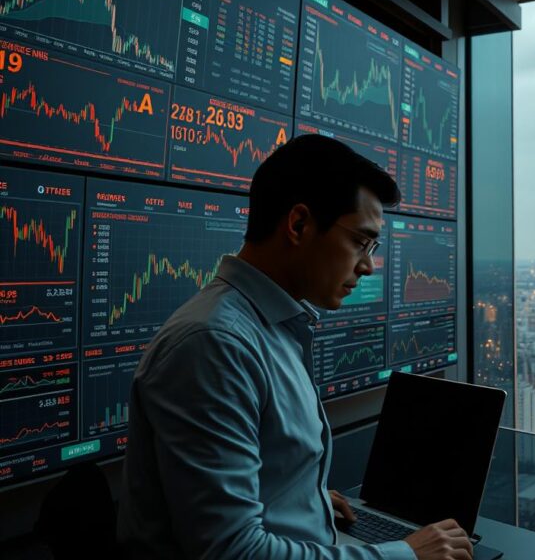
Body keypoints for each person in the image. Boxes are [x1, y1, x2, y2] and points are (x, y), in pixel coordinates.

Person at [117, 134, 473, 559]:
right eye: (361, 241)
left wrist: (307, 500)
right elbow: (233, 552)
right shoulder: (215, 345)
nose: (368, 265)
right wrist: (407, 556)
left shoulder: (272, 328)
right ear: (299, 225)